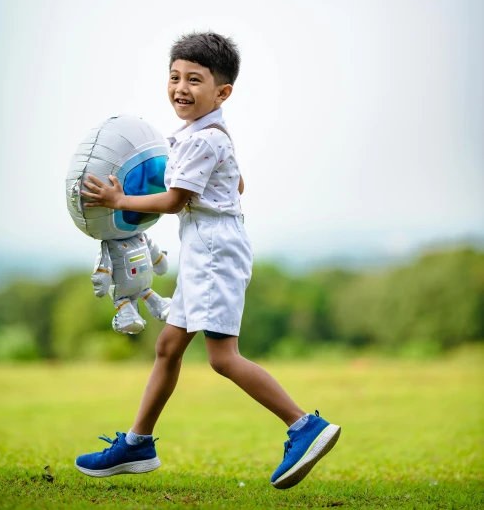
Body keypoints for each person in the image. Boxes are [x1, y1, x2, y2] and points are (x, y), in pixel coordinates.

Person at [75, 31, 341, 489]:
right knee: (168, 347)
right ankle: (138, 444)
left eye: (194, 79)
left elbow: (176, 202)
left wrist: (120, 199)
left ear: (222, 92)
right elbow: (237, 186)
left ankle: (304, 427)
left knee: (222, 358)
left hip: (215, 252)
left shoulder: (202, 140)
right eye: (175, 76)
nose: (181, 87)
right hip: (207, 248)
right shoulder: (200, 135)